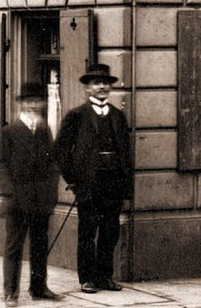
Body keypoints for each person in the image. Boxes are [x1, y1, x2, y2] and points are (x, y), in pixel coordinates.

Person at [54, 63, 132, 295]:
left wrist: (125, 186)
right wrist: (74, 180)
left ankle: (104, 276)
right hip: (89, 184)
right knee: (88, 231)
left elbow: (126, 153)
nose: (102, 87)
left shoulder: (118, 116)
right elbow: (61, 151)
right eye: (96, 83)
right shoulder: (76, 116)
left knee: (110, 230)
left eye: (106, 83)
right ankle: (87, 278)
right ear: (87, 88)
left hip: (113, 183)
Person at [0, 82, 62, 305]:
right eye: (29, 101)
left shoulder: (44, 130)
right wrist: (10, 192)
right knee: (14, 247)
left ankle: (39, 287)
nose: (33, 105)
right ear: (21, 104)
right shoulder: (9, 131)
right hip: (16, 202)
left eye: (37, 101)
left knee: (40, 245)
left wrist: (51, 193)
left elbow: (52, 164)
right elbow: (0, 165)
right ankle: (10, 292)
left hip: (41, 201)